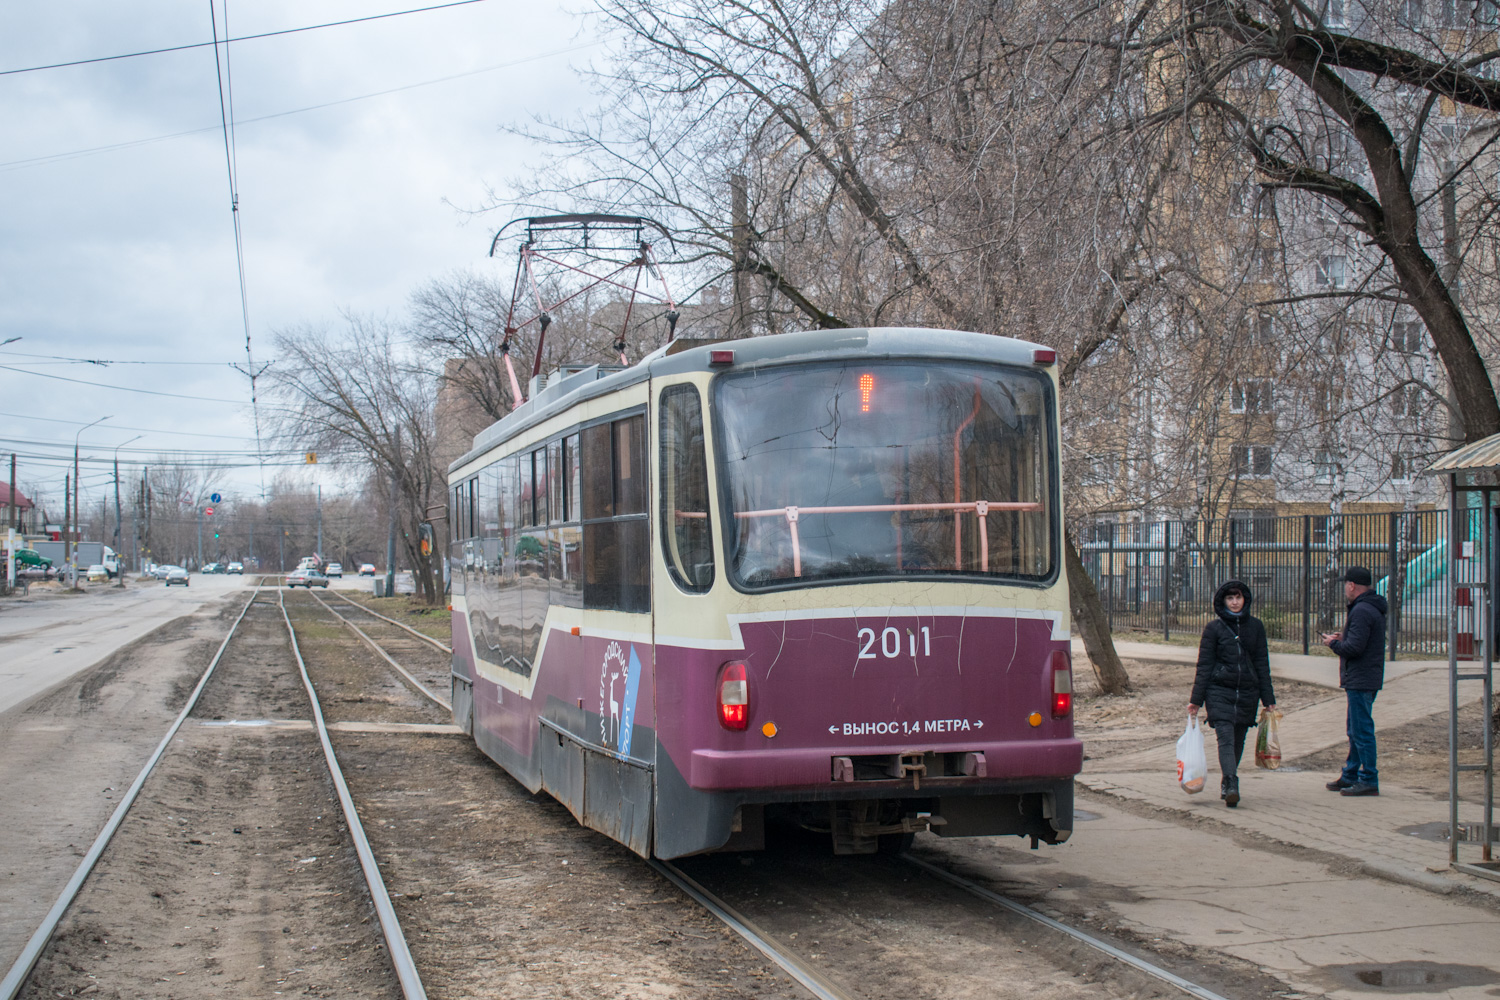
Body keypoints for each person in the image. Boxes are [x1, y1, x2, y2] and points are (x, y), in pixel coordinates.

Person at [1189, 579, 1276, 807]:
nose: (1235, 602)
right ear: (1223, 601)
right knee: (1225, 737)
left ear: (1245, 599)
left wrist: (1268, 699)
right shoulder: (1214, 629)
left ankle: (1227, 781)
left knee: (1238, 739)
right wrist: (1196, 700)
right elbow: (1204, 665)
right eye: (1230, 598)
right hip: (1219, 691)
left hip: (1248, 691)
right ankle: (1231, 782)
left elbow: (1261, 663)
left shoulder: (1255, 627)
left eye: (1238, 597)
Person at [1321, 566, 1388, 797]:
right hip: (1367, 676)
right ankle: (1350, 774)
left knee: (1361, 730)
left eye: (1345, 585)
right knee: (1355, 729)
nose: (1344, 589)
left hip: (1361, 678)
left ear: (1351, 585)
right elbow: (1363, 640)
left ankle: (1368, 778)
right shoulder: (1372, 607)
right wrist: (1344, 637)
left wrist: (1334, 644)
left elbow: (1354, 648)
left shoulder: (1361, 611)